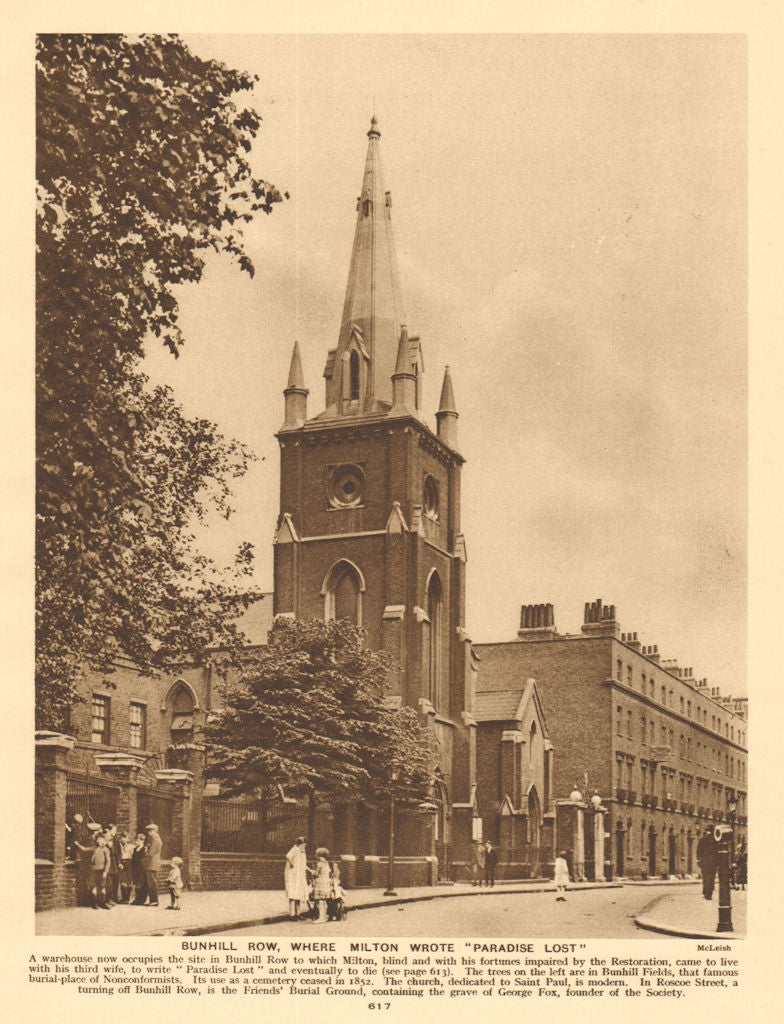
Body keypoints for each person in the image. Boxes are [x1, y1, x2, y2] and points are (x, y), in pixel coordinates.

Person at [284, 837, 308, 919]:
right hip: (293, 875)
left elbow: (303, 864)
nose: (303, 847)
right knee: (293, 893)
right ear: (299, 844)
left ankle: (298, 913)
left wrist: (310, 870)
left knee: (299, 894)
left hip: (300, 875)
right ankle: (292, 914)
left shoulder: (303, 852)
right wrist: (292, 864)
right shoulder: (295, 849)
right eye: (302, 845)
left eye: (304, 845)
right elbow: (288, 856)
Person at [141, 824, 162, 906]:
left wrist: (146, 851)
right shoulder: (154, 839)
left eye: (151, 831)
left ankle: (154, 901)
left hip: (152, 864)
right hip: (151, 864)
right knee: (150, 883)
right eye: (149, 831)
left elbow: (151, 853)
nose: (149, 832)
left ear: (155, 831)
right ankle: (152, 900)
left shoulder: (156, 840)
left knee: (152, 883)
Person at [310, 847, 332, 924]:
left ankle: (321, 918)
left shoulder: (319, 864)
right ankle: (324, 917)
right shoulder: (327, 863)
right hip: (326, 883)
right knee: (324, 901)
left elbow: (316, 874)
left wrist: (311, 871)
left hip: (320, 883)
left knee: (320, 901)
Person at [90, 833, 111, 909]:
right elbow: (85, 849)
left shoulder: (106, 849)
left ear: (104, 840)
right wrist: (77, 844)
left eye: (100, 839)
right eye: (97, 840)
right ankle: (94, 903)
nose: (99, 841)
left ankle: (103, 902)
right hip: (94, 870)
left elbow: (108, 861)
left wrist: (105, 871)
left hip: (102, 870)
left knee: (102, 887)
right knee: (94, 886)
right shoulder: (95, 848)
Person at [696, 827, 718, 900]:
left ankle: (705, 892)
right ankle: (709, 894)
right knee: (711, 878)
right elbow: (717, 852)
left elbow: (698, 851)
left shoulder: (702, 840)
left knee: (705, 877)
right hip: (713, 863)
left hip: (704, 862)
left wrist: (698, 859)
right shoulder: (715, 841)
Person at [118, 832, 135, 903]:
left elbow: (134, 856)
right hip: (121, 862)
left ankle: (127, 897)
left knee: (129, 880)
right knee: (122, 879)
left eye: (126, 838)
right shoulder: (118, 846)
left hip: (129, 862)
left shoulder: (132, 846)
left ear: (128, 839)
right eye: (123, 837)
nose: (124, 839)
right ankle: (124, 897)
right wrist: (119, 862)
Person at [131, 833, 147, 904]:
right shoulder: (135, 849)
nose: (136, 842)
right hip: (135, 869)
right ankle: (137, 899)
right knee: (136, 884)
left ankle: (141, 900)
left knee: (141, 884)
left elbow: (143, 860)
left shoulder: (144, 849)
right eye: (136, 841)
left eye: (138, 841)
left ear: (142, 841)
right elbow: (133, 859)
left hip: (142, 869)